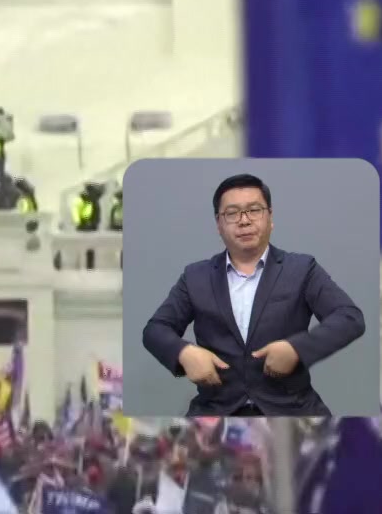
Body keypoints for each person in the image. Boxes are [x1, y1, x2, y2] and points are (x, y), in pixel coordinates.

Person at [139, 172, 365, 416]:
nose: (244, 221)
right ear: (219, 224)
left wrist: (296, 349)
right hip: (217, 413)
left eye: (254, 210)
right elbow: (155, 329)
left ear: (270, 218)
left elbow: (349, 317)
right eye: (232, 213)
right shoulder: (196, 277)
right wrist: (184, 353)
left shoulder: (301, 269)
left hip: (291, 411)